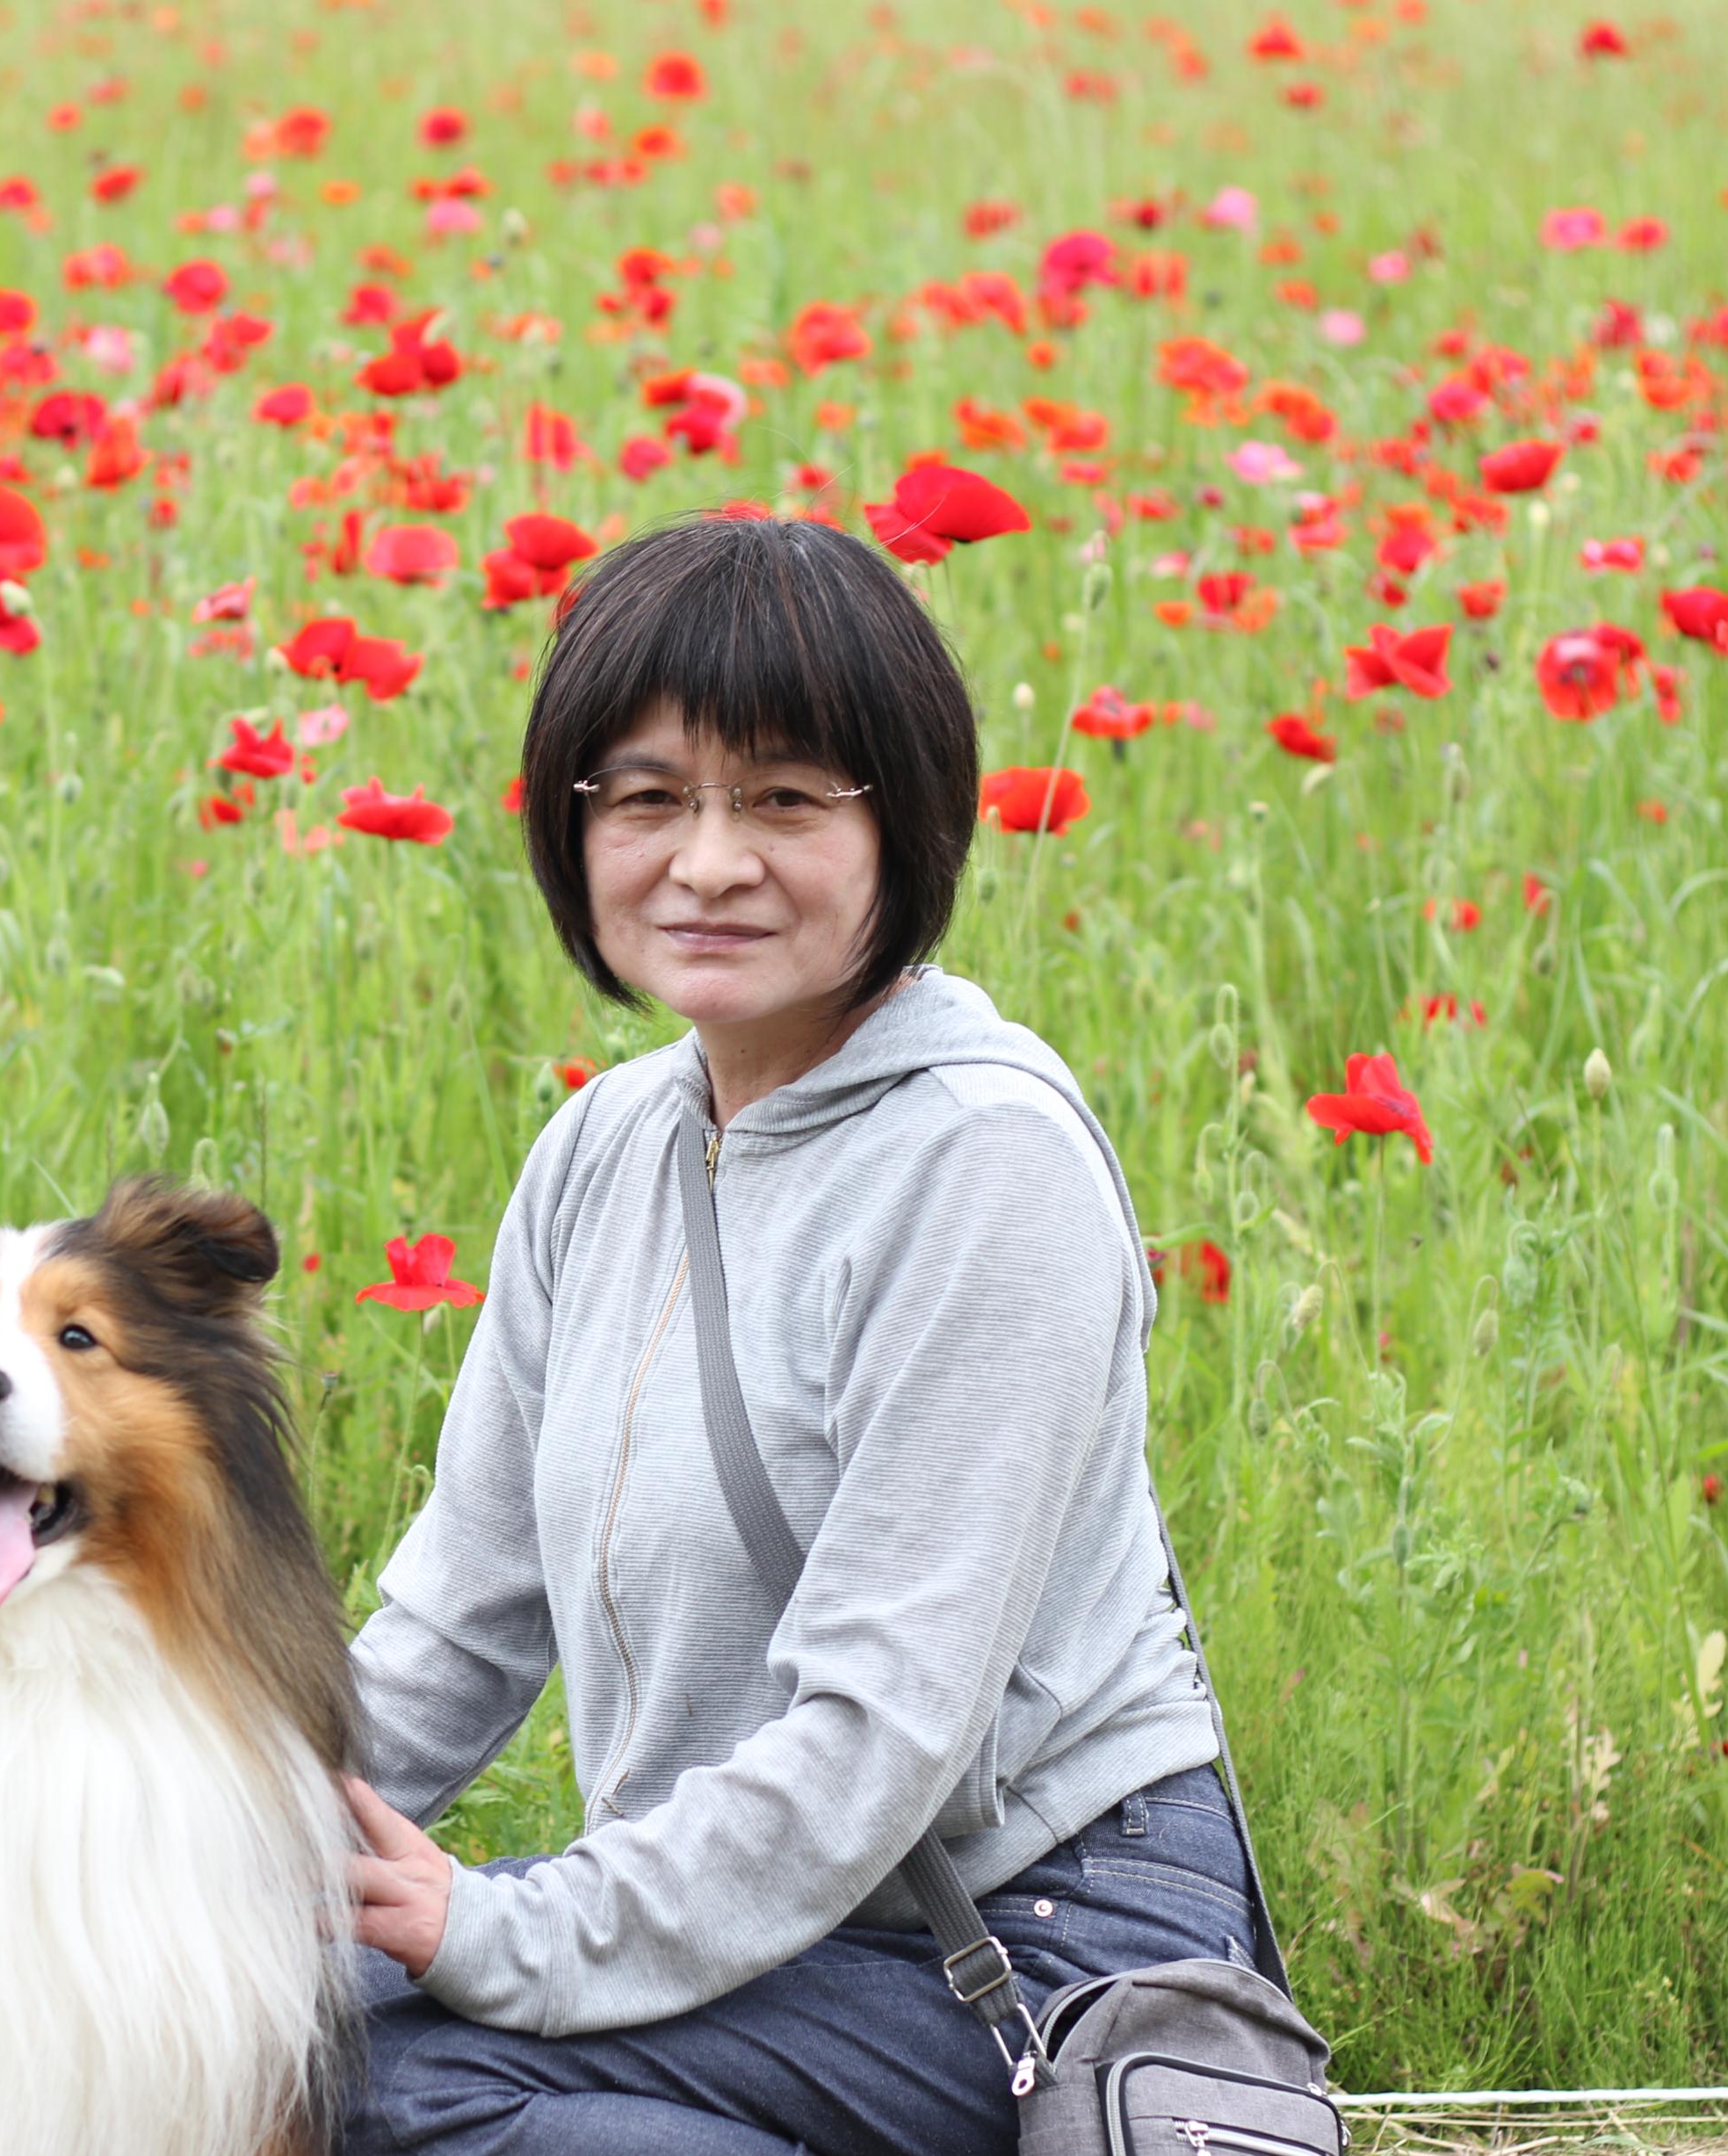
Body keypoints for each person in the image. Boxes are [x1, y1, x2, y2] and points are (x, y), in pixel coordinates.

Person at [336, 512, 1264, 2156]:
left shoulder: (981, 1164)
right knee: (244, 2013)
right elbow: (456, 1624)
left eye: (779, 797)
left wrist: (499, 1937)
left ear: (900, 827)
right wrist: (197, 1846)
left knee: (378, 2076)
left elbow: (874, 1739)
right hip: (767, 1914)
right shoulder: (606, 1147)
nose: (705, 861)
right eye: (644, 799)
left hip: (1017, 1939)